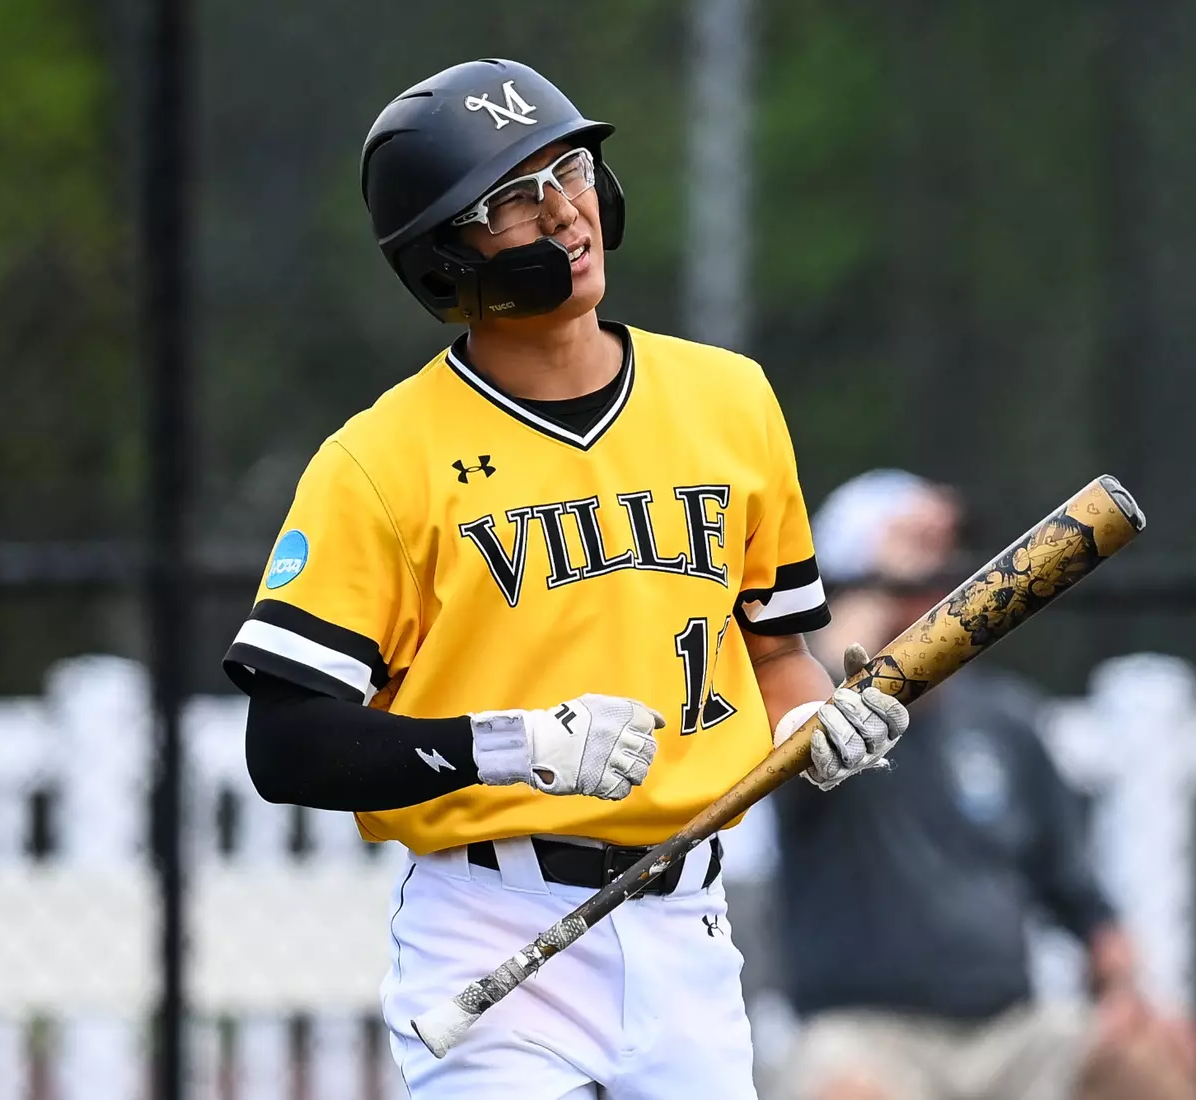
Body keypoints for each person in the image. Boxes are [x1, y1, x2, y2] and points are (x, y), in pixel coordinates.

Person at [221, 59, 909, 1100]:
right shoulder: (379, 460)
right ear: (444, 259)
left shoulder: (730, 401)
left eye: (571, 170)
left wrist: (815, 729)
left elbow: (777, 656)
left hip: (688, 929)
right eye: (511, 199)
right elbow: (286, 740)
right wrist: (519, 743)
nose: (564, 211)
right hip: (492, 923)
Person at [774, 470, 1196, 1100]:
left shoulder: (1005, 721)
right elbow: (826, 708)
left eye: (946, 551)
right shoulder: (805, 726)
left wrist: (1124, 989)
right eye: (914, 550)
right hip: (868, 1033)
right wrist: (858, 601)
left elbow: (1077, 893)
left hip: (1011, 1032)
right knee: (849, 1090)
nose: (943, 572)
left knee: (1149, 1057)